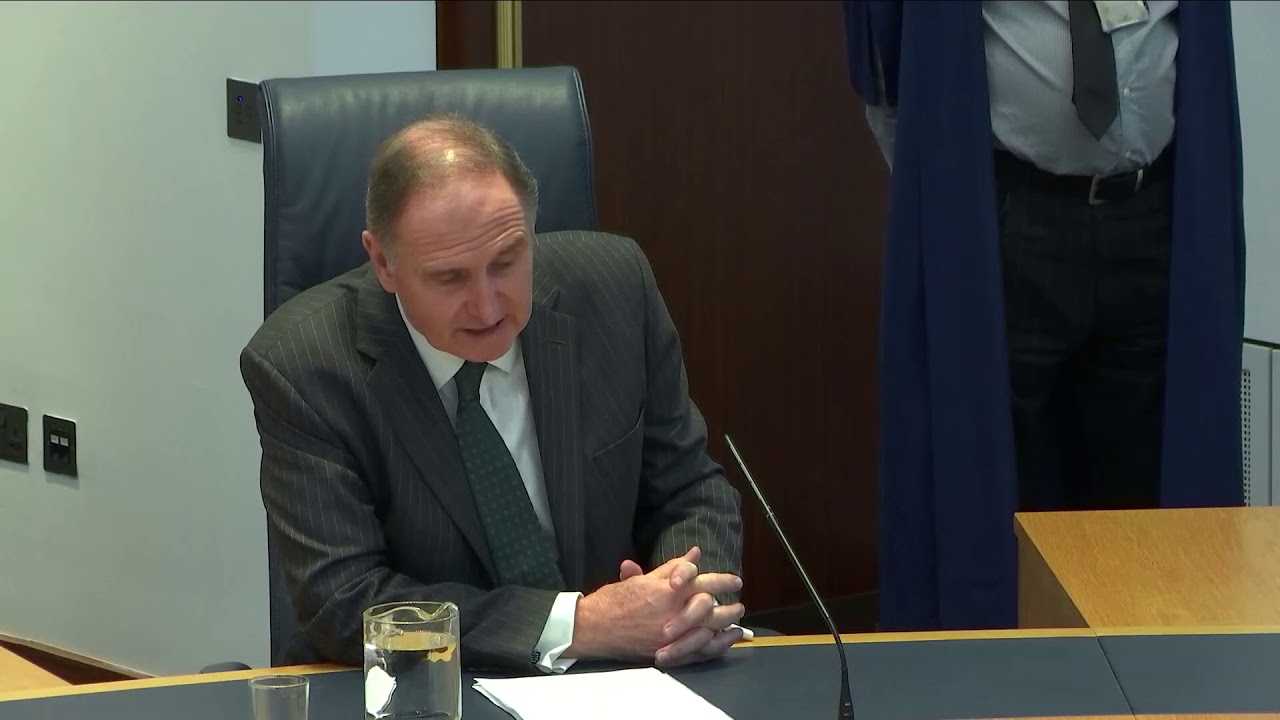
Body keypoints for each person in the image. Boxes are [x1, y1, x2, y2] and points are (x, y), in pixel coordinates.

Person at [239, 114, 746, 673]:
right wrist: (581, 625)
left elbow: (689, 488)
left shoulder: (614, 289)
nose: (487, 307)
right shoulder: (304, 366)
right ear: (383, 262)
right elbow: (345, 601)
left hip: (627, 674)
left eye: (506, 263)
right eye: (449, 277)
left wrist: (685, 606)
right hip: (425, 686)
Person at [843, 1, 1245, 631]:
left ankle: (1142, 679)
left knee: (1146, 513)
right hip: (1014, 217)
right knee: (998, 506)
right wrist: (945, 201)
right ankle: (1008, 679)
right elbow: (890, 69)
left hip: (1156, 215)